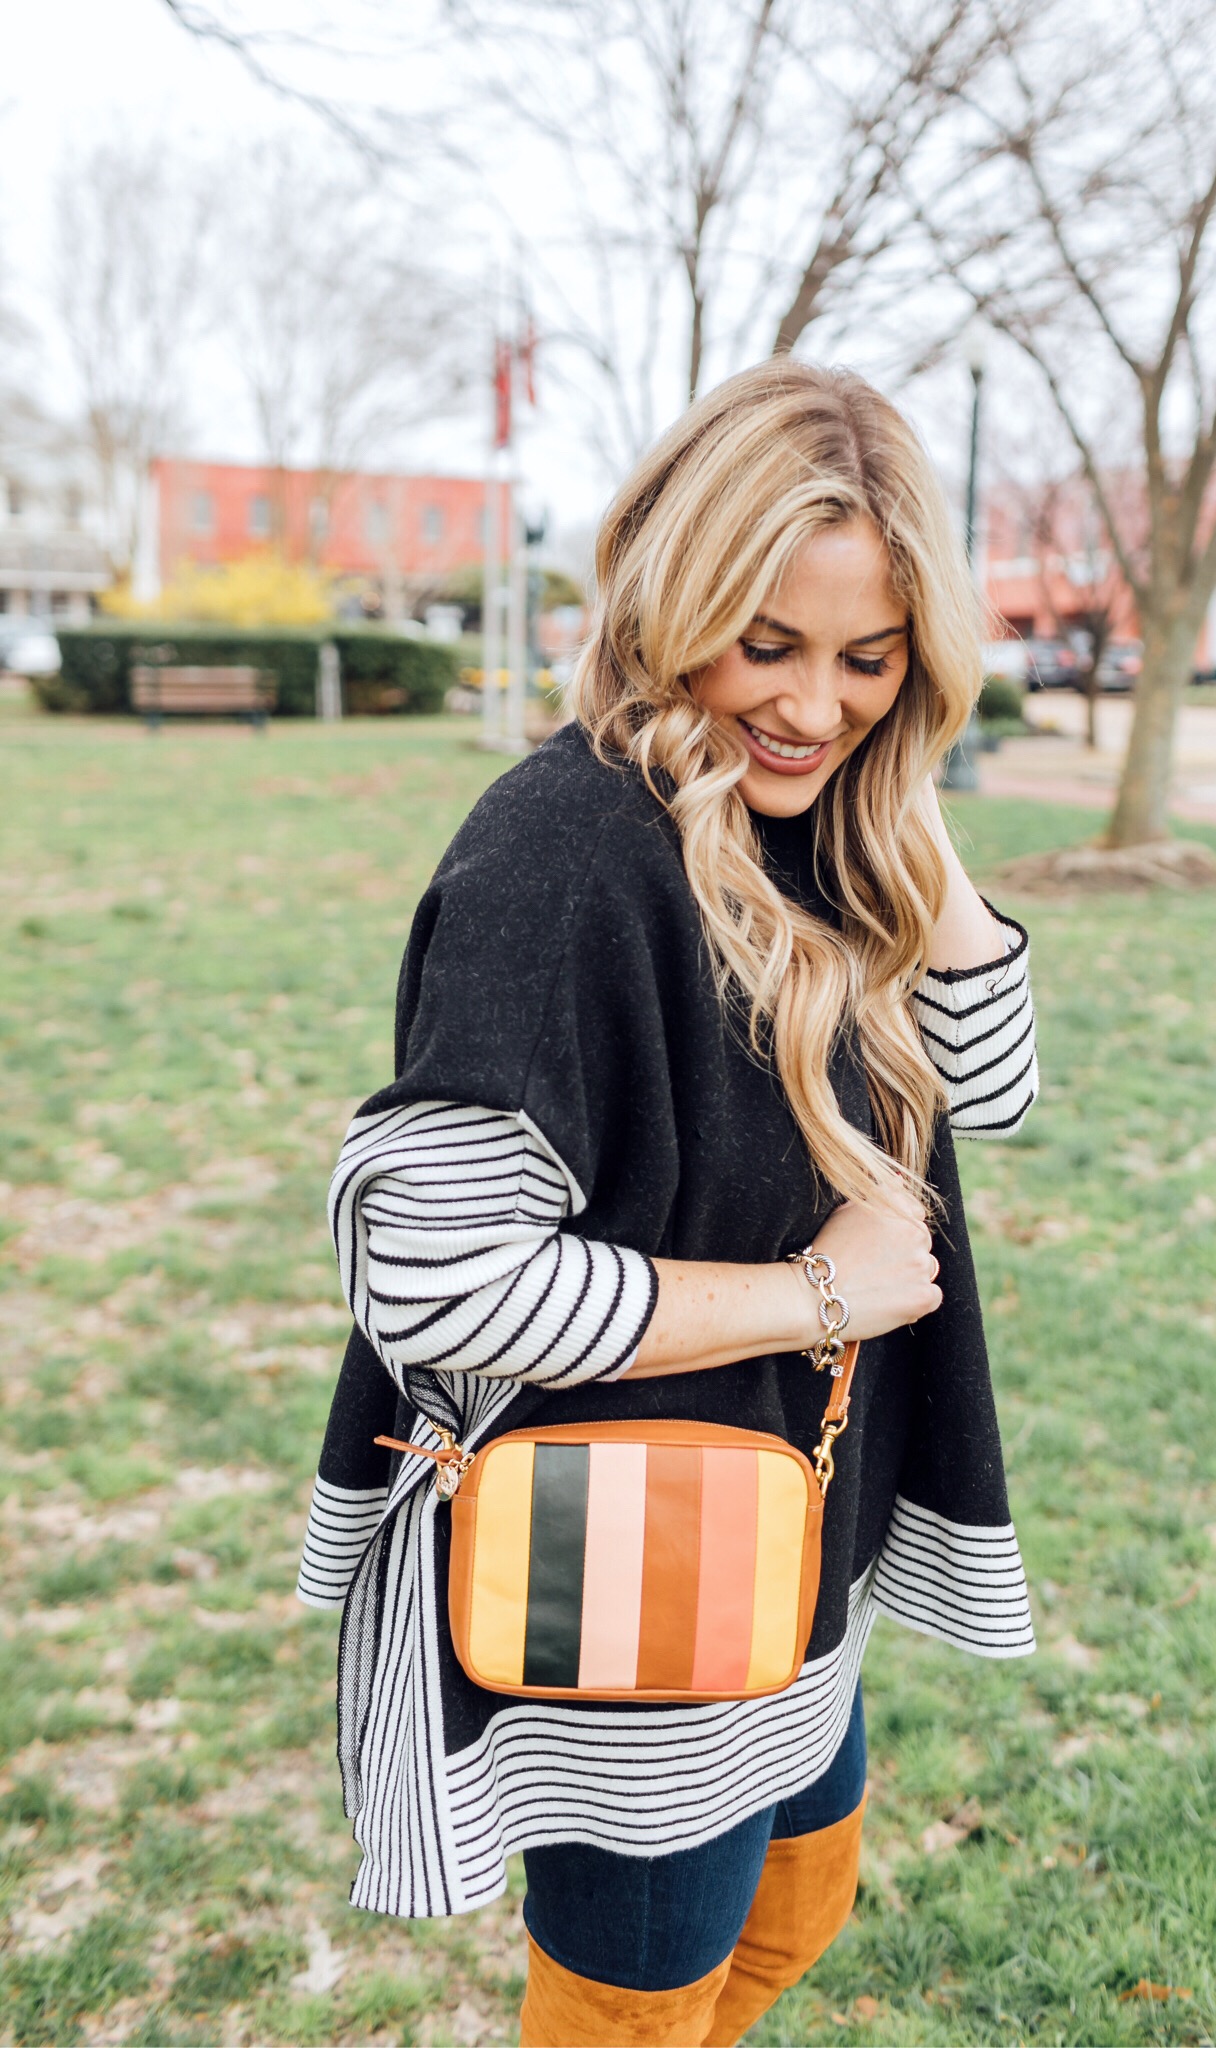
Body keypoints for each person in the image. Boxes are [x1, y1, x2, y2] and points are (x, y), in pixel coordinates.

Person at [299, 360, 1039, 2046]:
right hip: (641, 1570)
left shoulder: (833, 829)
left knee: (796, 1910)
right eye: (764, 643)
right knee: (640, 2008)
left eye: (870, 659)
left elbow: (991, 1091)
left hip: (801, 1528)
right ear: (667, 597)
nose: (813, 704)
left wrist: (916, 837)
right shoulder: (562, 851)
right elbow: (428, 1275)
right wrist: (819, 1296)